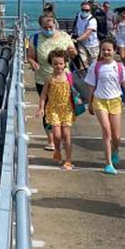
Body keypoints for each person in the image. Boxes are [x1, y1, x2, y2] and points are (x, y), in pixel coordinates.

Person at [27, 14, 77, 150]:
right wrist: (33, 62)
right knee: (47, 109)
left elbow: (74, 54)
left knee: (64, 107)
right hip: (43, 79)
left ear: (55, 24)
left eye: (50, 27)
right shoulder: (35, 38)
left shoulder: (64, 36)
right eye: (45, 27)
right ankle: (51, 140)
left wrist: (73, 52)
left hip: (64, 80)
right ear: (40, 27)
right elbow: (30, 56)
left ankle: (63, 136)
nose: (48, 29)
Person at [85, 38, 125, 174]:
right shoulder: (95, 66)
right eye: (103, 50)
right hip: (99, 101)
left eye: (109, 49)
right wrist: (90, 102)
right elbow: (91, 86)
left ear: (115, 50)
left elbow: (124, 83)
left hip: (115, 101)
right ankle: (108, 163)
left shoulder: (119, 67)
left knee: (117, 136)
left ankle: (115, 150)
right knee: (107, 132)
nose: (106, 52)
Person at [36, 49, 77, 170]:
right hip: (53, 109)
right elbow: (44, 94)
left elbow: (75, 91)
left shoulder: (69, 76)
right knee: (57, 135)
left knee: (66, 135)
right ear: (51, 64)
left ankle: (68, 160)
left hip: (67, 109)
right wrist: (41, 108)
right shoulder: (49, 78)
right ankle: (58, 149)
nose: (58, 66)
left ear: (65, 63)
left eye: (61, 63)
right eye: (55, 64)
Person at [72, 1, 100, 72]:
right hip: (81, 44)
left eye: (87, 10)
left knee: (93, 64)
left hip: (92, 45)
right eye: (83, 10)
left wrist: (77, 40)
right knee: (83, 61)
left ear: (90, 10)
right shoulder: (78, 16)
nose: (84, 12)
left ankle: (93, 76)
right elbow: (76, 27)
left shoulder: (92, 20)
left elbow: (87, 34)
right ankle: (84, 76)